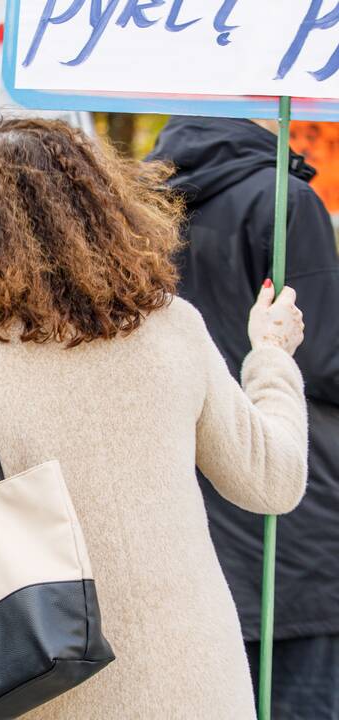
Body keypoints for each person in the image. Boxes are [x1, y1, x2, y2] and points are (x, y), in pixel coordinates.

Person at [0, 118, 309, 718]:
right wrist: (272, 359)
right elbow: (271, 480)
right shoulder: (173, 325)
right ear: (103, 200)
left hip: (47, 694)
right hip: (203, 688)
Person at [149, 116, 339, 718]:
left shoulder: (143, 212)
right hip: (296, 490)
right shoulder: (284, 199)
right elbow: (329, 357)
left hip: (195, 488)